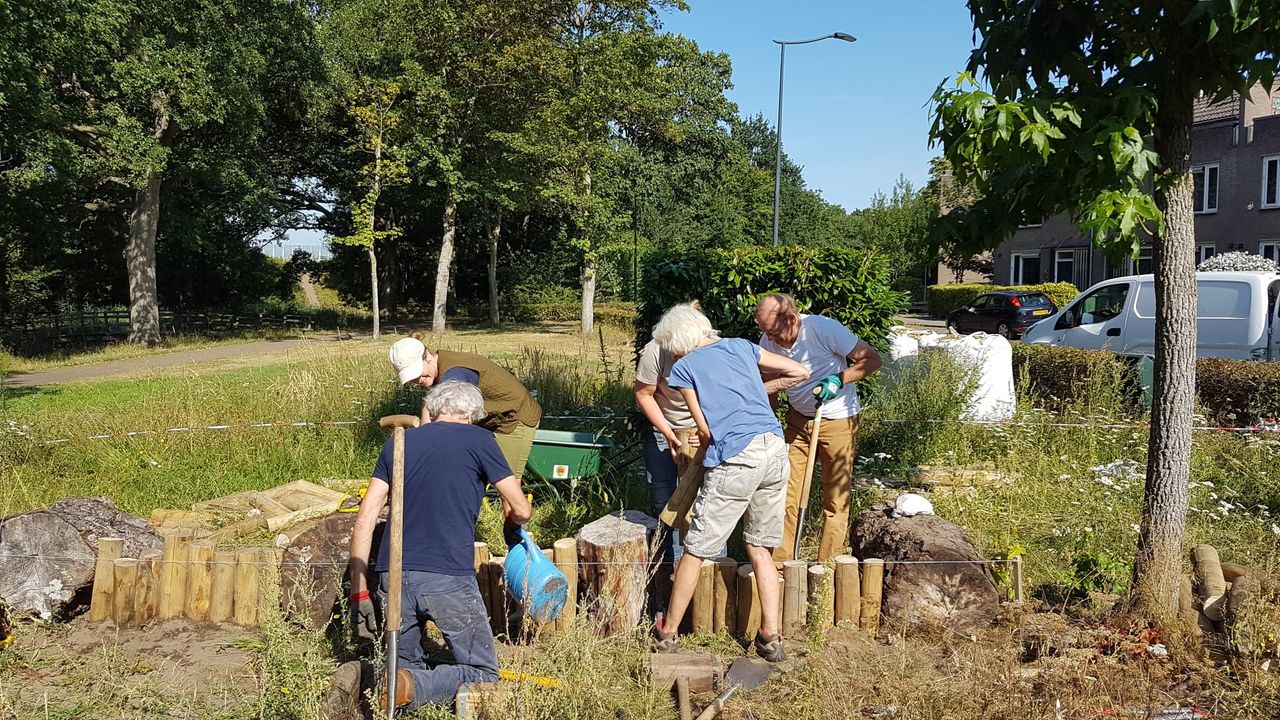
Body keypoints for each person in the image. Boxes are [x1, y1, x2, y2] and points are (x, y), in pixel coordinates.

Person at [347, 381, 532, 711]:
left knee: (402, 668)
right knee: (484, 673)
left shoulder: (400, 442)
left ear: (433, 409)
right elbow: (521, 508)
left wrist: (359, 590)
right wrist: (513, 527)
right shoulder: (480, 439)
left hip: (393, 575)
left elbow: (365, 518)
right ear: (473, 414)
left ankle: (403, 686)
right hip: (447, 575)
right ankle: (414, 687)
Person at [649, 304, 809, 660]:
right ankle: (770, 636)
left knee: (695, 549)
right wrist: (761, 387)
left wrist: (700, 445)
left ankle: (668, 632)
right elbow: (798, 370)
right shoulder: (740, 346)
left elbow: (704, 428)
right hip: (774, 450)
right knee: (760, 549)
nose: (673, 353)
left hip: (738, 460)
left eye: (673, 347)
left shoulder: (685, 366)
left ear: (681, 341)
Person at [755, 293, 883, 562]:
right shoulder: (768, 341)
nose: (771, 339)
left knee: (835, 497)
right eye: (765, 333)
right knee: (785, 491)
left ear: (791, 319)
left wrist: (839, 378)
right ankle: (782, 563)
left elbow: (872, 359)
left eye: (774, 332)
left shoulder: (823, 329)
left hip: (837, 421)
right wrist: (770, 422)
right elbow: (771, 385)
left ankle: (826, 566)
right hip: (798, 421)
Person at [388, 332, 542, 479]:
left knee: (506, 482)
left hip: (513, 416)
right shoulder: (438, 365)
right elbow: (430, 404)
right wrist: (426, 438)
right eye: (412, 377)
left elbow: (454, 423)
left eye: (419, 373)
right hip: (489, 419)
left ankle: (515, 507)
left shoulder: (454, 375)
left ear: (427, 356)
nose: (418, 380)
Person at [635, 301, 708, 564]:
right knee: (663, 498)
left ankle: (702, 561)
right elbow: (644, 394)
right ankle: (664, 563)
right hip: (663, 425)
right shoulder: (655, 351)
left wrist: (705, 431)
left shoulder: (711, 349)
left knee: (703, 497)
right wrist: (668, 432)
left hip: (702, 429)